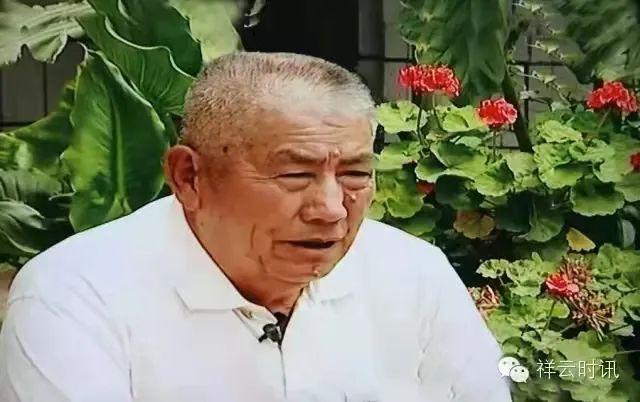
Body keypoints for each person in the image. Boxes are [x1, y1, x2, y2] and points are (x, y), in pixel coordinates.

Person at [0, 52, 512, 402]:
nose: (331, 209)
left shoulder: (414, 273)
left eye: (355, 174)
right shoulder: (74, 294)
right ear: (189, 177)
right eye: (294, 175)